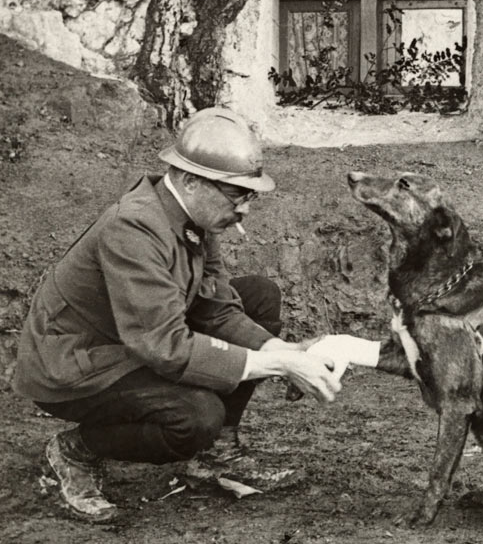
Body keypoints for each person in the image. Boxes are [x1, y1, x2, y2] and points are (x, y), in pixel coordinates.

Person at [12, 108, 377, 523]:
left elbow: (217, 307)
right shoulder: (133, 226)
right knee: (196, 416)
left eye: (249, 195)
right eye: (237, 194)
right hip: (78, 364)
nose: (245, 210)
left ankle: (217, 456)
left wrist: (286, 351)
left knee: (258, 296)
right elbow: (164, 346)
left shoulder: (193, 218)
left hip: (132, 342)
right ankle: (77, 448)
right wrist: (277, 363)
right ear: (190, 180)